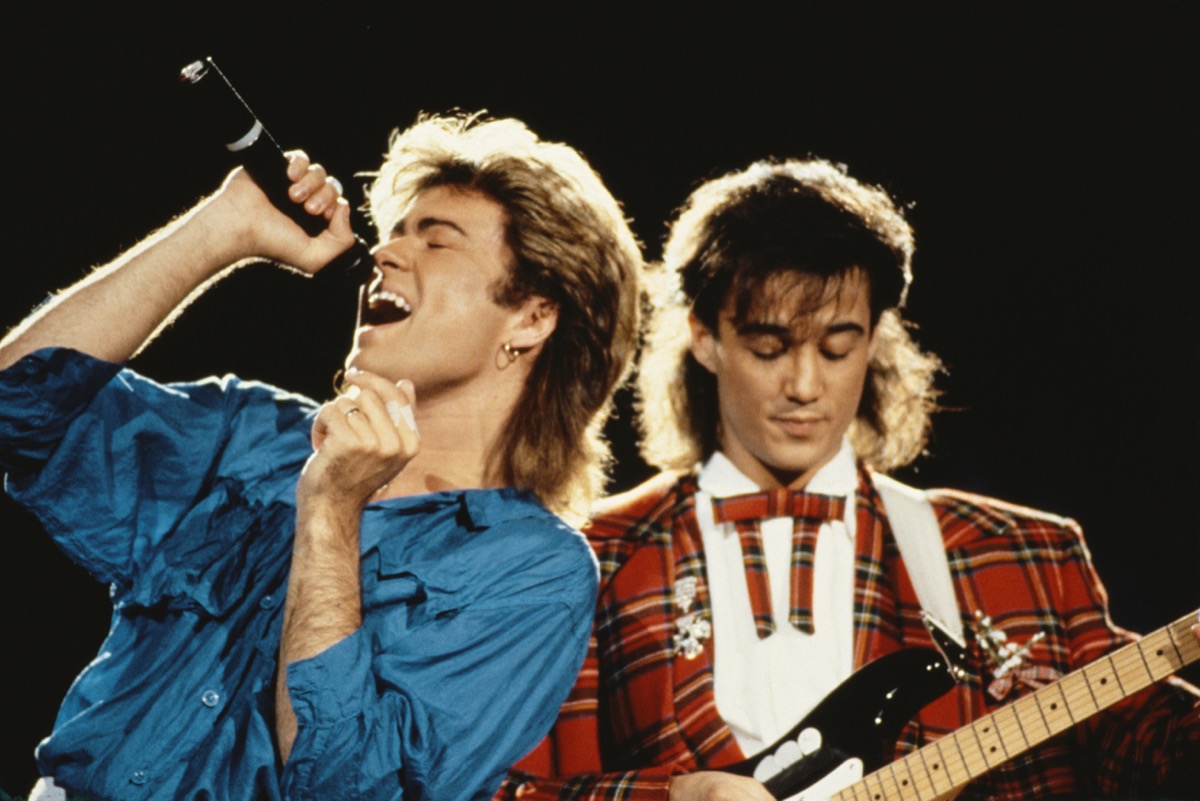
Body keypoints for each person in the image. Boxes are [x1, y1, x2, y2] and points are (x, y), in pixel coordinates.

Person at [496, 158, 1200, 801]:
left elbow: (1143, 737)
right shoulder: (592, 556)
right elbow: (505, 788)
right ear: (705, 336)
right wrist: (674, 798)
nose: (805, 384)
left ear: (875, 337)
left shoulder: (1023, 552)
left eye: (838, 346)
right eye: (769, 346)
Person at [0, 113, 643, 801]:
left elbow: (342, 789)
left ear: (532, 318)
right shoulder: (255, 433)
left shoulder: (534, 570)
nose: (385, 255)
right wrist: (223, 228)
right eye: (394, 232)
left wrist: (332, 509)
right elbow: (18, 408)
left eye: (436, 240)